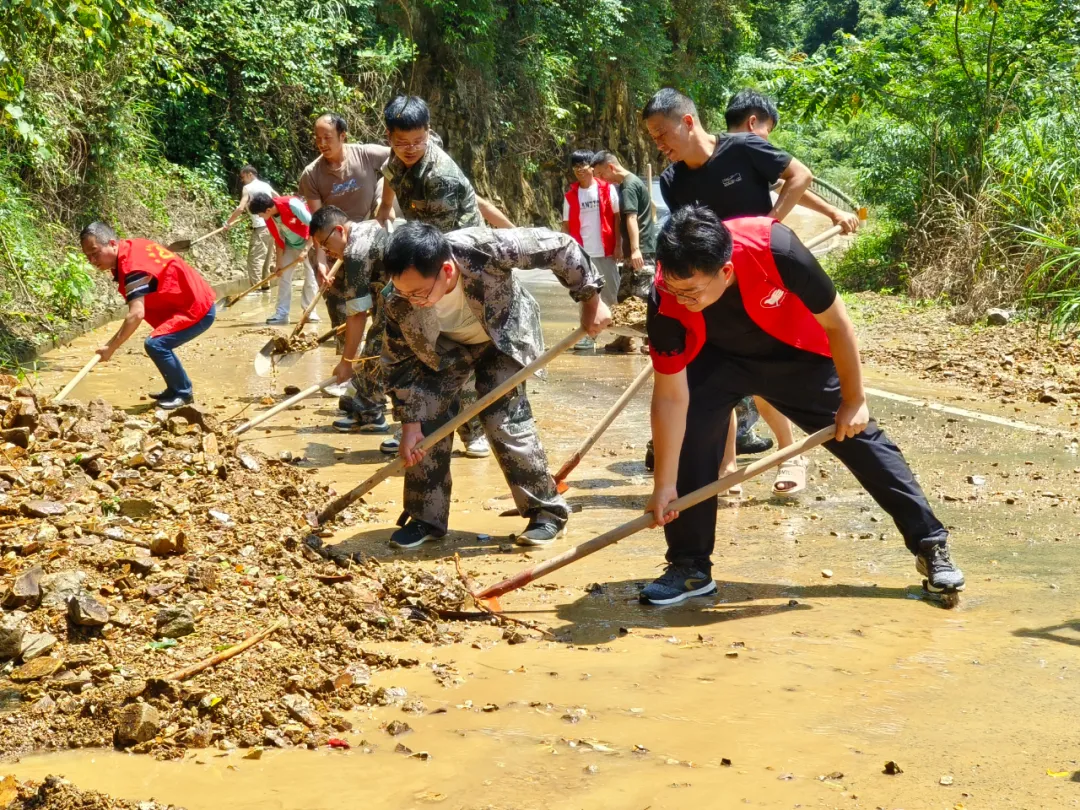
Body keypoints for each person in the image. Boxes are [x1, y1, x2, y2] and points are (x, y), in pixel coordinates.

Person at [639, 205, 965, 605]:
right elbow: (671, 396)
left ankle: (930, 545)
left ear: (725, 271)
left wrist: (854, 400)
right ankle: (690, 567)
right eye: (674, 288)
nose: (681, 298)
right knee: (691, 445)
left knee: (862, 441)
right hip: (713, 360)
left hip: (794, 355)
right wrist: (665, 485)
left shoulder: (776, 248)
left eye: (691, 292)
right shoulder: (665, 296)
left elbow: (838, 323)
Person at [643, 87, 848, 495]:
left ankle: (792, 455)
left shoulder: (742, 148)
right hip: (714, 287)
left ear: (688, 121)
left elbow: (799, 177)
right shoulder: (672, 182)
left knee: (764, 374)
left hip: (764, 276)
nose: (659, 144)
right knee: (715, 376)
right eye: (653, 138)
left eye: (662, 133)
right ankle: (728, 466)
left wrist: (767, 228)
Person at [381, 222, 611, 549]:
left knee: (503, 418)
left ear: (447, 270)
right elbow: (400, 362)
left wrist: (591, 300)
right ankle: (424, 518)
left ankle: (547, 512)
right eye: (403, 292)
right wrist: (409, 423)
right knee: (427, 425)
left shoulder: (485, 249)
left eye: (419, 292)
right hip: (445, 349)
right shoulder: (397, 299)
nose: (411, 300)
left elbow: (560, 247)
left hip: (501, 338)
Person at [370, 95, 497, 457]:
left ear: (429, 132)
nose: (409, 149)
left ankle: (472, 429)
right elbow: (390, 176)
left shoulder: (440, 177)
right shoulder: (398, 156)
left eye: (417, 141)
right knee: (414, 336)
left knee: (452, 339)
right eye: (401, 141)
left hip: (459, 261)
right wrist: (382, 209)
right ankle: (417, 420)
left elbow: (437, 247)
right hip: (425, 249)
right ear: (389, 136)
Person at [299, 113, 392, 397]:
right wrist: (322, 261)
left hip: (365, 240)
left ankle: (361, 369)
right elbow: (319, 224)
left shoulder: (366, 155)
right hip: (333, 240)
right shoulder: (312, 174)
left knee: (369, 306)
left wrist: (385, 204)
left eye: (328, 137)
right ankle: (347, 370)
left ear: (343, 136)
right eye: (317, 138)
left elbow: (398, 160)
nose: (322, 143)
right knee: (342, 306)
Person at [79, 222, 216, 410]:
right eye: (88, 256)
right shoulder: (131, 246)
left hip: (196, 309)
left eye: (95, 253)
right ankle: (175, 388)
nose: (92, 261)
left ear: (112, 243)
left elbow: (136, 314)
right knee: (159, 342)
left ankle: (183, 393)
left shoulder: (133, 268)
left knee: (156, 344)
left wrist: (111, 348)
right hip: (193, 299)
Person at [308, 205, 391, 434]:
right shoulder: (365, 228)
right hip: (394, 294)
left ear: (338, 230)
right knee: (377, 344)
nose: (328, 251)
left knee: (377, 348)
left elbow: (357, 314)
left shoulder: (355, 252)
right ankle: (361, 400)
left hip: (407, 299)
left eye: (325, 244)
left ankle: (371, 412)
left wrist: (347, 361)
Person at [589, 150, 658, 353]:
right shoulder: (628, 184)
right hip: (634, 252)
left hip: (642, 251)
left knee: (642, 298)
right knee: (625, 296)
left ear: (611, 167)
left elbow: (631, 218)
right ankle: (624, 339)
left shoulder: (628, 186)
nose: (602, 180)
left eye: (601, 174)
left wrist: (636, 250)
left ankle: (651, 342)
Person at [562, 149, 621, 352]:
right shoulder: (570, 195)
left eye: (583, 165)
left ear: (592, 167)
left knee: (612, 294)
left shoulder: (607, 189)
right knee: (586, 297)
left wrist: (618, 245)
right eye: (575, 166)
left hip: (605, 250)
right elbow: (566, 226)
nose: (579, 170)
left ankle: (620, 336)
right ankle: (589, 336)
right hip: (582, 253)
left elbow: (617, 217)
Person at [247, 192, 319, 325]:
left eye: (260, 214)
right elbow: (278, 239)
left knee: (311, 277)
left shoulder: (292, 204)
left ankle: (310, 312)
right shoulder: (269, 217)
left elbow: (314, 226)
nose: (260, 217)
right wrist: (278, 263)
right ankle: (282, 314)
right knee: (284, 277)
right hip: (290, 245)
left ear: (268, 210)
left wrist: (306, 249)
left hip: (309, 242)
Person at [223, 165, 277, 292]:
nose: (242, 180)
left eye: (242, 177)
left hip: (260, 227)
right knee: (266, 258)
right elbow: (277, 199)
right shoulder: (265, 185)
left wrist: (228, 222)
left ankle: (256, 290)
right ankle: (265, 286)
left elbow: (240, 208)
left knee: (254, 259)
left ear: (249, 174)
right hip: (272, 226)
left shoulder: (248, 188)